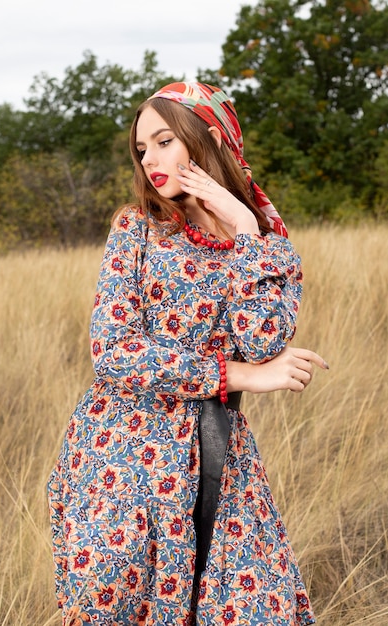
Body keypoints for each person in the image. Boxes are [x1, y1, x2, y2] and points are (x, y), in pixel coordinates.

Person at [48, 81, 328, 626]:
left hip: (220, 452)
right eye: (141, 148)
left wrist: (245, 228)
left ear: (209, 140)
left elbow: (264, 339)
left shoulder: (266, 240)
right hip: (123, 453)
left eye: (163, 141)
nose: (149, 158)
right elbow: (115, 352)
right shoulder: (137, 228)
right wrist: (240, 374)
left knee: (252, 609)